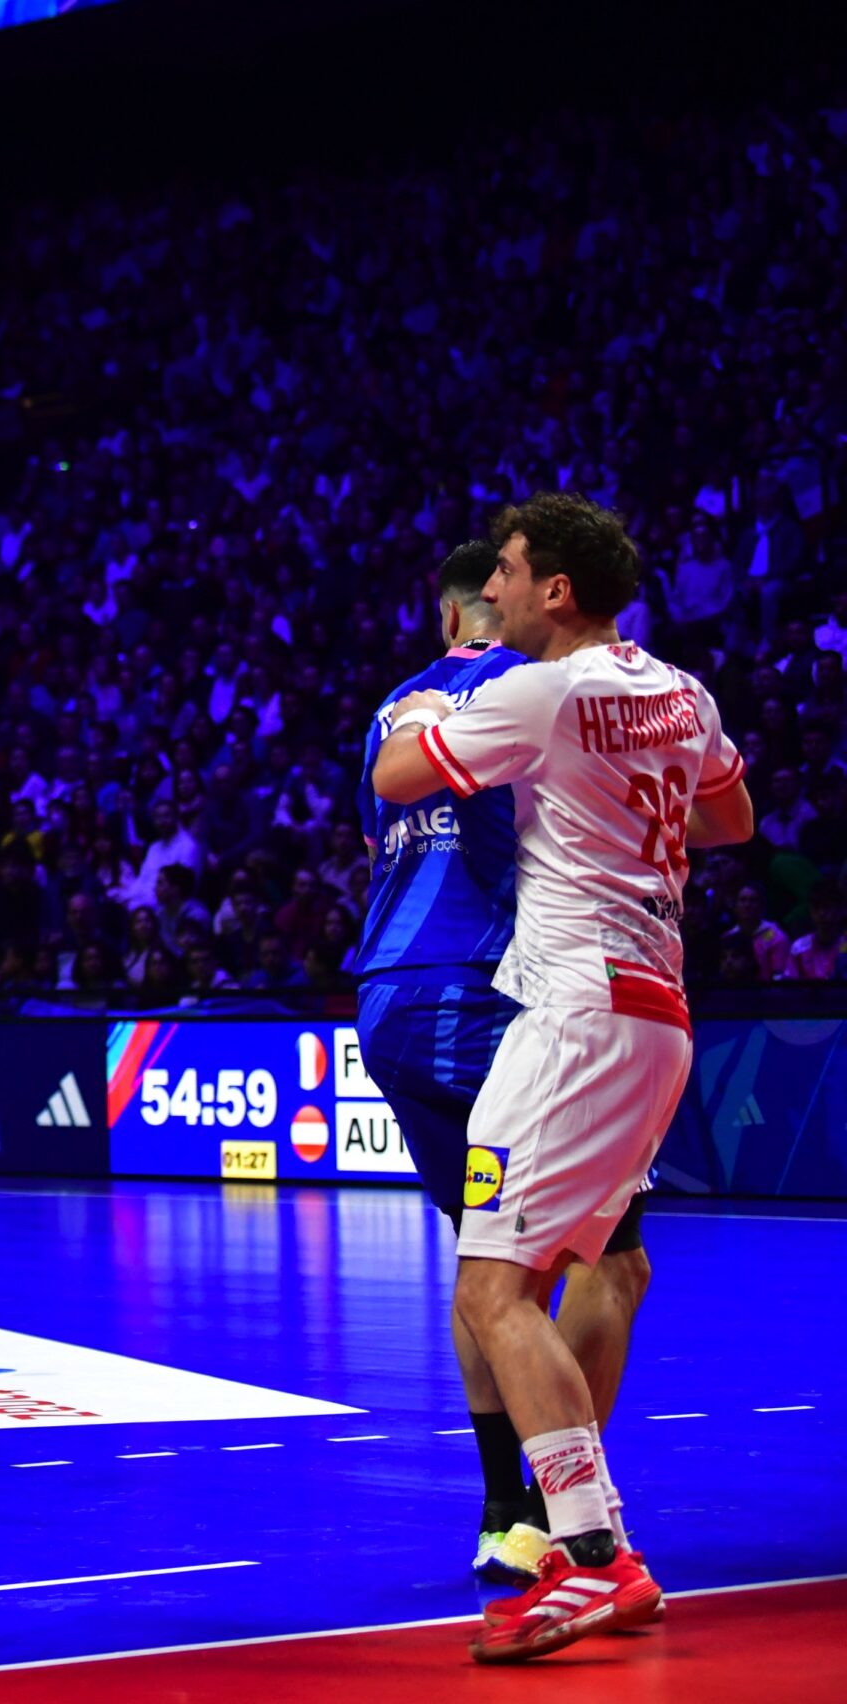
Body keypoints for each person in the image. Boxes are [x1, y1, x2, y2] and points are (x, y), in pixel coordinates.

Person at [373, 494, 752, 1664]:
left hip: (569, 1012)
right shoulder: (680, 691)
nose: (493, 595)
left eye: (513, 575)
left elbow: (396, 779)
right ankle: (585, 1547)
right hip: (657, 1016)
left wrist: (441, 702)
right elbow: (730, 815)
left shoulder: (533, 693)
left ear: (555, 595)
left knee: (493, 1292)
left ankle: (584, 1554)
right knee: (599, 1265)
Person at [352, 540, 653, 1591]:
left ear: (443, 623)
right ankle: (560, 1506)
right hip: (497, 995)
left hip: (386, 998)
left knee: (483, 1262)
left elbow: (383, 835)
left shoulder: (392, 706)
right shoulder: (541, 689)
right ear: (499, 606)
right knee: (610, 1266)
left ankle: (500, 1513)